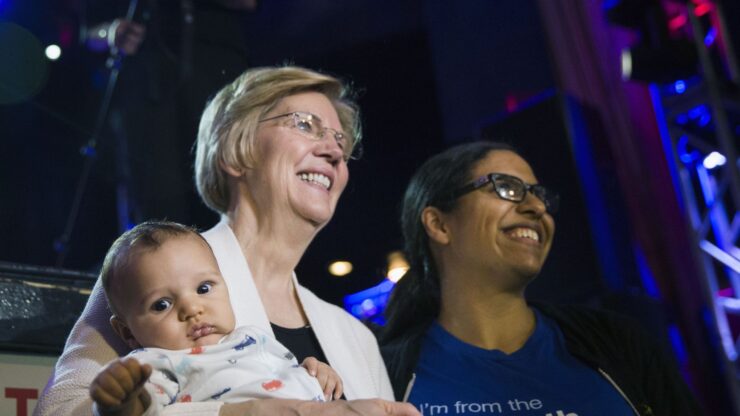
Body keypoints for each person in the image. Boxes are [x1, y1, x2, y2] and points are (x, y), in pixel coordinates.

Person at [35, 66, 420, 416]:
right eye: (305, 125)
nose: (334, 151)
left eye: (340, 139)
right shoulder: (147, 274)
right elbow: (60, 413)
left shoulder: (355, 337)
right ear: (235, 150)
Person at [381, 141, 702, 416]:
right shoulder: (385, 374)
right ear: (439, 225)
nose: (536, 206)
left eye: (539, 195)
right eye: (506, 187)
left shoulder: (619, 344)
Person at [90, 221, 342, 416]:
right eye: (161, 305)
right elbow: (146, 408)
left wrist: (314, 374)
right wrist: (123, 399)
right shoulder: (157, 362)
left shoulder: (253, 336)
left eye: (203, 288)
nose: (192, 309)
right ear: (127, 332)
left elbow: (288, 372)